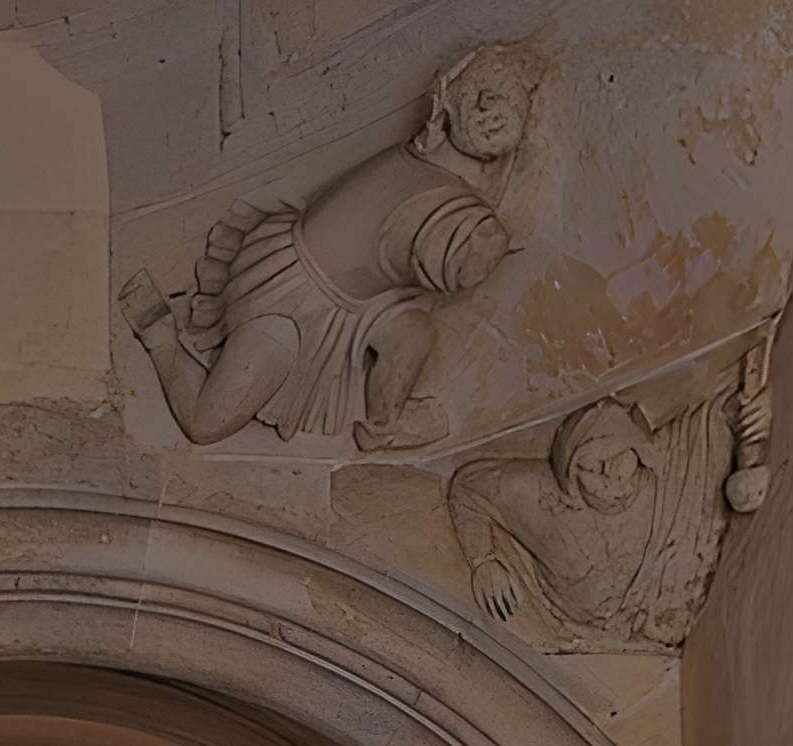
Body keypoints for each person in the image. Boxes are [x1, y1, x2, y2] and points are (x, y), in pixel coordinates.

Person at [118, 43, 540, 448]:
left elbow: (459, 243)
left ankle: (383, 428)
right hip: (296, 299)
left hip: (363, 303)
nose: (492, 112)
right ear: (452, 98)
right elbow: (455, 253)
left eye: (510, 106)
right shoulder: (434, 153)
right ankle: (160, 336)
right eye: (486, 94)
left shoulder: (450, 167)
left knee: (413, 335)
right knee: (206, 424)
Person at [448, 376, 773, 650]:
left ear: (640, 453)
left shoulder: (674, 471)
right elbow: (469, 487)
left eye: (620, 457)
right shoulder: (538, 497)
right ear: (570, 477)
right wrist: (483, 560)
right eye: (592, 466)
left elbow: (717, 417)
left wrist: (753, 414)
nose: (610, 475)